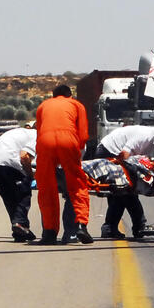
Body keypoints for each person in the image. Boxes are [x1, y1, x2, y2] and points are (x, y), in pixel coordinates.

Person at [34, 84, 92, 244]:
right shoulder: (76, 105)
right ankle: (81, 225)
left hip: (45, 142)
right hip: (68, 140)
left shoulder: (43, 106)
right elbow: (83, 135)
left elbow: (39, 132)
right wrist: (75, 155)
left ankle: (49, 233)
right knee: (77, 185)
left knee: (46, 188)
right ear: (70, 95)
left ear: (53, 95)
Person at [94, 121, 154, 239]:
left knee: (122, 193)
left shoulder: (152, 138)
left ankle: (111, 228)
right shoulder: (147, 136)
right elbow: (125, 154)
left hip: (112, 152)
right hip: (109, 153)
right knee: (126, 190)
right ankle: (137, 225)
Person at [0, 124, 37, 242]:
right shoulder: (36, 135)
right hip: (9, 163)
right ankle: (20, 223)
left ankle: (20, 231)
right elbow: (24, 157)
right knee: (23, 194)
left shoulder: (12, 133)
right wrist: (30, 175)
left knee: (9, 198)